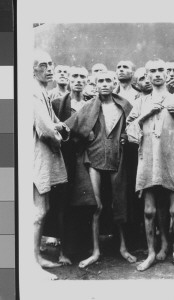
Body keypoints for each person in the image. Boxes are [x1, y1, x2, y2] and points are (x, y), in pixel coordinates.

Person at [65, 71, 136, 268]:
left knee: (119, 203)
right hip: (93, 159)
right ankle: (96, 251)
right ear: (95, 84)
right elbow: (69, 128)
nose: (104, 84)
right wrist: (84, 135)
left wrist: (126, 136)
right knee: (96, 206)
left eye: (108, 81)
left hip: (117, 158)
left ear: (114, 83)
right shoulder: (89, 107)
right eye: (100, 81)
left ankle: (123, 247)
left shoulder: (124, 105)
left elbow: (135, 126)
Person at [126, 59, 174, 271]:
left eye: (160, 70)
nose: (156, 74)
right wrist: (148, 113)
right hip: (148, 159)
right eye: (152, 71)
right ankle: (152, 253)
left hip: (171, 157)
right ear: (147, 75)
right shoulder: (140, 102)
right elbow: (131, 132)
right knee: (149, 210)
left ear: (166, 73)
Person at [33, 50, 70, 280]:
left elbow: (53, 121)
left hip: (43, 155)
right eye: (42, 65)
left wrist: (60, 126)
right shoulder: (33, 92)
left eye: (50, 64)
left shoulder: (41, 91)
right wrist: (59, 135)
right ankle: (31, 264)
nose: (48, 68)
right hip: (37, 155)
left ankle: (36, 257)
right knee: (37, 212)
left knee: (43, 208)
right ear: (33, 69)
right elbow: (45, 129)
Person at [48, 66, 90, 265]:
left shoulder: (92, 104)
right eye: (75, 76)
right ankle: (63, 250)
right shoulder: (57, 104)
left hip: (86, 158)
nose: (78, 80)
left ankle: (84, 246)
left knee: (84, 203)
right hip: (65, 158)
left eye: (83, 76)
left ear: (87, 80)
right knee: (63, 203)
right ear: (69, 79)